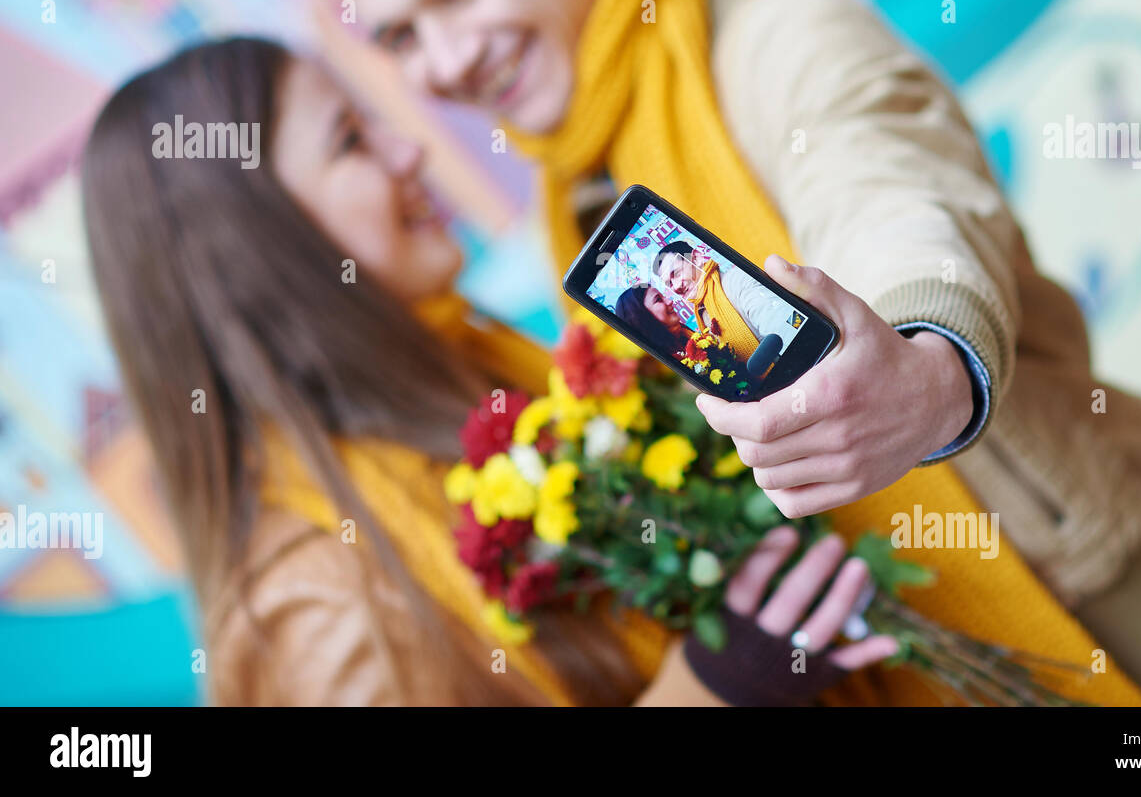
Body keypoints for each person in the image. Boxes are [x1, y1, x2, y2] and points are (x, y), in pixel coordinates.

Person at [297, 0, 1141, 705]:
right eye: (398, 37)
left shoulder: (779, 39)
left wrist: (922, 364)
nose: (444, 61)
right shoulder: (578, 202)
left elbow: (892, 196)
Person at [80, 37, 904, 706]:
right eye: (351, 141)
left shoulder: (475, 366)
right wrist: (717, 685)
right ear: (255, 251)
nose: (410, 149)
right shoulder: (313, 611)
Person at [653, 240, 802, 361]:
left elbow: (787, 332)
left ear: (697, 258)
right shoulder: (701, 311)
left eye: (677, 273)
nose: (677, 286)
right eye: (669, 284)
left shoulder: (737, 282)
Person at [613, 283, 689, 359]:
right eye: (658, 299)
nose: (670, 301)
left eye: (663, 296)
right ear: (642, 318)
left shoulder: (685, 336)